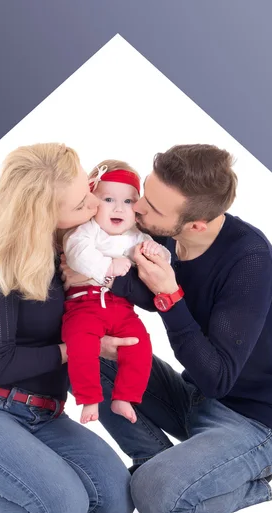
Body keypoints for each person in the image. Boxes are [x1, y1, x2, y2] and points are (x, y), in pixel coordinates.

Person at [62, 144, 272, 513]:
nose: (137, 209)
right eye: (145, 194)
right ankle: (153, 460)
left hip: (253, 423)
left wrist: (171, 296)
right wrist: (90, 276)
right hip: (191, 400)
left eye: (152, 208)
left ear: (196, 224)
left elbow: (216, 378)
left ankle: (246, 486)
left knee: (159, 500)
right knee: (85, 351)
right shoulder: (164, 237)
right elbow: (132, 287)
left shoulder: (249, 261)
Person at [0, 143, 135, 513]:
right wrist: (79, 349)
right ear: (44, 213)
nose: (94, 203)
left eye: (89, 189)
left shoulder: (72, 250)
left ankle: (16, 469)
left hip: (42, 413)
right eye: (81, 202)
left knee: (115, 503)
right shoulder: (0, 264)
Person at [62, 159, 170, 425]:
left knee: (139, 344)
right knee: (81, 343)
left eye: (128, 202)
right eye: (108, 199)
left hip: (121, 308)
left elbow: (163, 257)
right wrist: (108, 267)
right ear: (92, 202)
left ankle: (126, 397)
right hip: (84, 305)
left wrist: (158, 252)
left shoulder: (137, 237)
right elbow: (77, 253)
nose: (119, 208)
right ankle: (89, 398)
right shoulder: (87, 231)